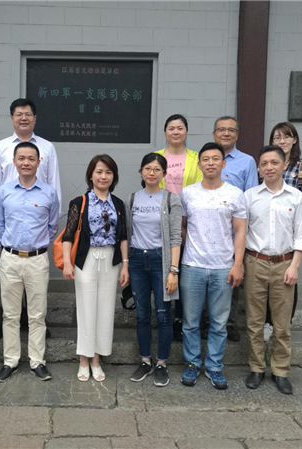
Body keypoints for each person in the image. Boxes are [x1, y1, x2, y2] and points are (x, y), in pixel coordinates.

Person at [0, 98, 62, 338]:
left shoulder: (47, 148)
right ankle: (12, 324)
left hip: (36, 224)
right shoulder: (0, 147)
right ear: (12, 118)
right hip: (9, 224)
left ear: (35, 118)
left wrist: (45, 234)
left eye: (28, 114)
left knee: (36, 288)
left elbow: (54, 186)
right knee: (11, 287)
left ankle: (35, 325)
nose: (23, 118)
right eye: (19, 114)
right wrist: (2, 235)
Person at [179, 142, 247, 390]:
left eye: (215, 159)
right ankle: (192, 363)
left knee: (219, 323)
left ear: (223, 163)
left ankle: (215, 367)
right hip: (192, 266)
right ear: (199, 165)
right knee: (190, 321)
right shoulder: (187, 193)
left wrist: (237, 264)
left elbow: (240, 231)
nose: (210, 163)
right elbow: (182, 227)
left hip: (222, 267)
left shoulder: (235, 194)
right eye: (205, 159)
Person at [244, 146, 302, 395]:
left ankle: (281, 371)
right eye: (264, 163)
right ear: (259, 168)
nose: (269, 167)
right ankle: (257, 368)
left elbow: (301, 236)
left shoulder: (296, 197)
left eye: (274, 162)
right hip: (255, 262)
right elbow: (241, 233)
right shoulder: (249, 196)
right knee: (254, 322)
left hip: (285, 264)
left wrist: (295, 266)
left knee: (282, 324)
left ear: (284, 165)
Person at [0, 142, 59, 382]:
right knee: (10, 314)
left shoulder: (49, 193)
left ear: (39, 162)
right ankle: (10, 361)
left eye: (31, 158)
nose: (26, 163)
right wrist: (11, 246)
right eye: (21, 158)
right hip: (10, 259)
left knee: (37, 314)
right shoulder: (3, 192)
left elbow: (52, 226)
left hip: (37, 260)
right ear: (14, 162)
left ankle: (37, 361)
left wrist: (37, 246)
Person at [62, 155, 130, 382]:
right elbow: (68, 235)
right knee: (86, 309)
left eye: (108, 172)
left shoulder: (118, 204)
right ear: (91, 175)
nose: (103, 176)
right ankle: (84, 358)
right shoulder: (79, 202)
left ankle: (97, 359)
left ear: (114, 177)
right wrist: (68, 263)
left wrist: (125, 265)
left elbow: (123, 237)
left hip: (110, 260)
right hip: (87, 259)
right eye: (99, 172)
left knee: (105, 310)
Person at [125, 153, 182, 387]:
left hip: (161, 261)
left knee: (163, 314)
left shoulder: (171, 199)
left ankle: (162, 363)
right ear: (141, 171)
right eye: (148, 168)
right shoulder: (132, 199)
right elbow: (127, 234)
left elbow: (176, 237)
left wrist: (173, 270)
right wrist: (126, 264)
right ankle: (145, 360)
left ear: (164, 174)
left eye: (157, 169)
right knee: (141, 314)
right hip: (137, 260)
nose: (152, 173)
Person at [264, 122, 302, 341]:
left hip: (290, 236)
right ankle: (267, 322)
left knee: (289, 279)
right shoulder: (266, 165)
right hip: (266, 233)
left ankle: (285, 322)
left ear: (294, 140)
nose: (282, 141)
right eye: (277, 137)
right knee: (265, 283)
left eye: (286, 137)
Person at [154, 114, 203, 342]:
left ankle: (181, 319)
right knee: (164, 270)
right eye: (171, 128)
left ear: (186, 131)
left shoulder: (196, 158)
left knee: (183, 271)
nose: (176, 132)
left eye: (180, 128)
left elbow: (199, 191)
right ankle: (164, 316)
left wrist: (184, 222)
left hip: (189, 223)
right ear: (165, 132)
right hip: (162, 223)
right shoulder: (157, 157)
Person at [212, 115, 258, 342]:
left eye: (231, 130)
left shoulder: (247, 161)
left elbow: (250, 199)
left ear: (237, 135)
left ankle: (228, 323)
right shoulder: (205, 157)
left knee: (232, 279)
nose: (226, 133)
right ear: (214, 134)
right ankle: (206, 321)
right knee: (206, 277)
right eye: (221, 129)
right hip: (207, 232)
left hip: (233, 233)